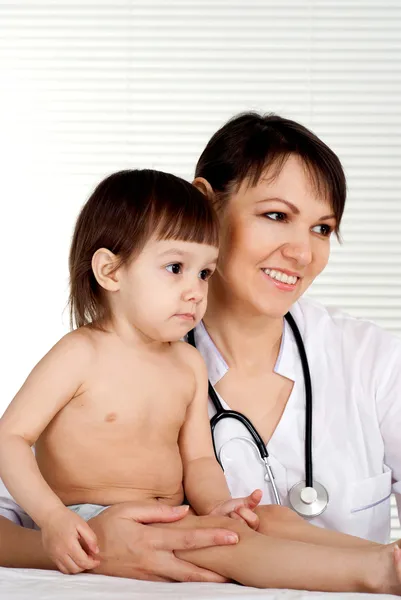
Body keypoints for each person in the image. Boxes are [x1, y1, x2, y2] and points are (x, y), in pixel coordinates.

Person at [1, 112, 401, 586]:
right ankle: (377, 573)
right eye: (276, 215)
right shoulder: (86, 356)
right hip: (110, 525)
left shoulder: (369, 357)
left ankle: (387, 559)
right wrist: (74, 535)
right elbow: (12, 457)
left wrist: (221, 509)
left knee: (266, 520)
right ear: (207, 203)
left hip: (186, 519)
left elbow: (199, 462)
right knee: (221, 543)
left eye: (322, 228)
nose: (302, 252)